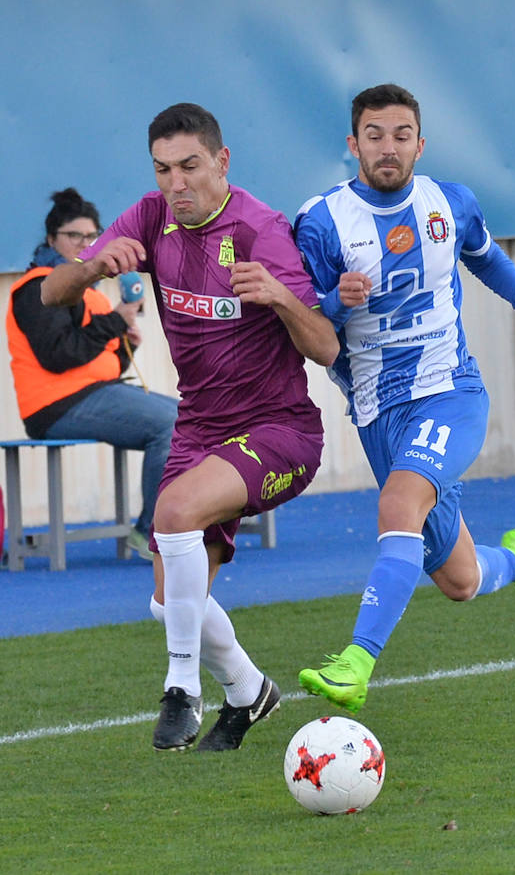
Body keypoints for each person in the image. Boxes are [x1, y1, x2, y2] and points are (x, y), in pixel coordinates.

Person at [41, 104, 339, 752]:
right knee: (168, 600)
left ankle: (182, 689)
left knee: (173, 512)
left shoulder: (262, 230)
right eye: (163, 169)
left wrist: (284, 297)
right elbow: (49, 294)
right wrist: (95, 268)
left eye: (190, 166)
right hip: (201, 431)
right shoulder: (150, 218)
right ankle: (249, 688)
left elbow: (326, 349)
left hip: (279, 430)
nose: (176, 183)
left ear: (222, 161)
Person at [294, 83, 515, 714]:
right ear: (352, 144)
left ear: (420, 143)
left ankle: (355, 662)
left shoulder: (451, 202)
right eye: (374, 135)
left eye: (400, 136)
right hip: (375, 410)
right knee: (459, 579)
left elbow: (484, 255)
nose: (387, 148)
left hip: (450, 392)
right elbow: (303, 321)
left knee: (399, 502)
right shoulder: (320, 222)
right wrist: (338, 301)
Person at [6, 188, 178, 561]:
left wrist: (123, 344)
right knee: (174, 423)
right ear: (52, 239)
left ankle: (183, 526)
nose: (84, 243)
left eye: (92, 236)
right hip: (56, 405)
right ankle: (153, 535)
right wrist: (114, 322)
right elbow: (58, 356)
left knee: (193, 418)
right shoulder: (39, 286)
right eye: (74, 236)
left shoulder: (91, 290)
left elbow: (98, 363)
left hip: (90, 394)